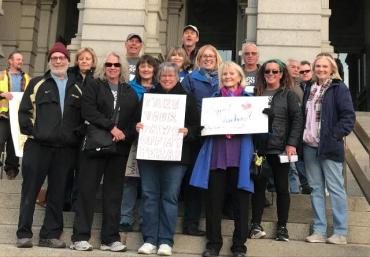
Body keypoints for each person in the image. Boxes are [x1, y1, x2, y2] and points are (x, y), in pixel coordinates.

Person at [70, 52, 139, 252]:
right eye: (108, 64)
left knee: (114, 194)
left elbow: (135, 118)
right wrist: (112, 127)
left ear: (122, 68)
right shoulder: (93, 85)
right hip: (95, 145)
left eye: (116, 64)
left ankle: (110, 238)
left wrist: (125, 134)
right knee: (87, 191)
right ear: (103, 66)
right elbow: (88, 111)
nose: (112, 67)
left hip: (119, 149)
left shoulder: (129, 91)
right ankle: (80, 237)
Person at [16, 42, 83, 248]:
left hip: (65, 150)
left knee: (57, 193)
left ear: (67, 61)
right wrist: (37, 133)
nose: (58, 60)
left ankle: (50, 235)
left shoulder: (78, 87)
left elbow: (83, 117)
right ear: (49, 61)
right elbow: (24, 112)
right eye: (54, 58)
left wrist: (74, 136)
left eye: (61, 57)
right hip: (38, 147)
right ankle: (23, 234)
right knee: (30, 191)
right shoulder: (37, 83)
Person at [190, 61, 254, 257]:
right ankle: (213, 244)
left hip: (241, 158)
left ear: (239, 77)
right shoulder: (213, 99)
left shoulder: (250, 100)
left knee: (241, 204)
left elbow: (261, 135)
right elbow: (204, 130)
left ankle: (239, 246)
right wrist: (202, 126)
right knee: (213, 203)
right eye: (224, 74)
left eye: (231, 74)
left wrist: (264, 118)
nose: (227, 77)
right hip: (217, 156)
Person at [136, 62, 200, 256]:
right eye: (163, 76)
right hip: (150, 155)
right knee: (149, 196)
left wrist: (188, 131)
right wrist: (137, 126)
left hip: (176, 157)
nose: (166, 79)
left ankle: (165, 240)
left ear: (177, 77)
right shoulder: (148, 98)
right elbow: (135, 120)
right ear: (158, 77)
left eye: (170, 76)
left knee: (169, 197)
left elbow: (197, 128)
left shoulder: (187, 99)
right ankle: (149, 239)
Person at [303, 55, 355, 245]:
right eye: (317, 65)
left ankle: (340, 232)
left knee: (335, 188)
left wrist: (333, 136)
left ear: (332, 68)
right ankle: (319, 230)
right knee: (316, 189)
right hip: (309, 146)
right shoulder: (310, 88)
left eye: (325, 66)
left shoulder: (338, 88)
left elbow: (348, 117)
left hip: (329, 146)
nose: (321, 69)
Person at [249, 59, 303, 242]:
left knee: (282, 188)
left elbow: (297, 120)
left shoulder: (289, 95)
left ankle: (282, 227)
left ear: (281, 74)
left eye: (275, 71)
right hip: (259, 149)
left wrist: (291, 144)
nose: (271, 74)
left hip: (280, 149)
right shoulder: (255, 94)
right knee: (258, 188)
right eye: (267, 71)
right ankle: (255, 224)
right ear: (262, 74)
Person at [181, 44, 222, 236]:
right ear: (198, 59)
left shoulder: (224, 78)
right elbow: (184, 106)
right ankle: (191, 223)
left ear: (217, 59)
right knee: (194, 181)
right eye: (204, 56)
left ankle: (216, 222)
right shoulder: (190, 79)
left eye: (211, 56)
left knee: (217, 181)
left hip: (219, 138)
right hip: (197, 138)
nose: (208, 59)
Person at [120, 54, 159, 232]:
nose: (145, 69)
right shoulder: (128, 88)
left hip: (155, 141)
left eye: (149, 66)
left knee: (149, 182)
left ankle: (146, 219)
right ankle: (126, 218)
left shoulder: (160, 89)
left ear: (154, 70)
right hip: (133, 140)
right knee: (130, 179)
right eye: (142, 66)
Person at [64, 47, 98, 211]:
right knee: (66, 167)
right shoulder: (68, 76)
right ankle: (64, 200)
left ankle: (77, 202)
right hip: (69, 128)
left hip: (87, 131)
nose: (84, 61)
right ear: (77, 61)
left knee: (82, 169)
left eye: (88, 59)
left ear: (93, 62)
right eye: (81, 58)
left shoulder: (96, 79)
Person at [0, 51, 30, 179]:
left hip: (19, 116)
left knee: (15, 143)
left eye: (21, 59)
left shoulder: (27, 78)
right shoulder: (1, 75)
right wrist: (2, 94)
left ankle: (11, 169)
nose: (20, 61)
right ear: (10, 61)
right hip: (4, 115)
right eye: (17, 59)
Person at [286, 58, 304, 194]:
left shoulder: (301, 85)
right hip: (286, 129)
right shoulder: (284, 85)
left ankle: (297, 189)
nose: (296, 69)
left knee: (297, 162)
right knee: (290, 163)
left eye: (298, 67)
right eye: (293, 67)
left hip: (300, 129)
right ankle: (294, 190)